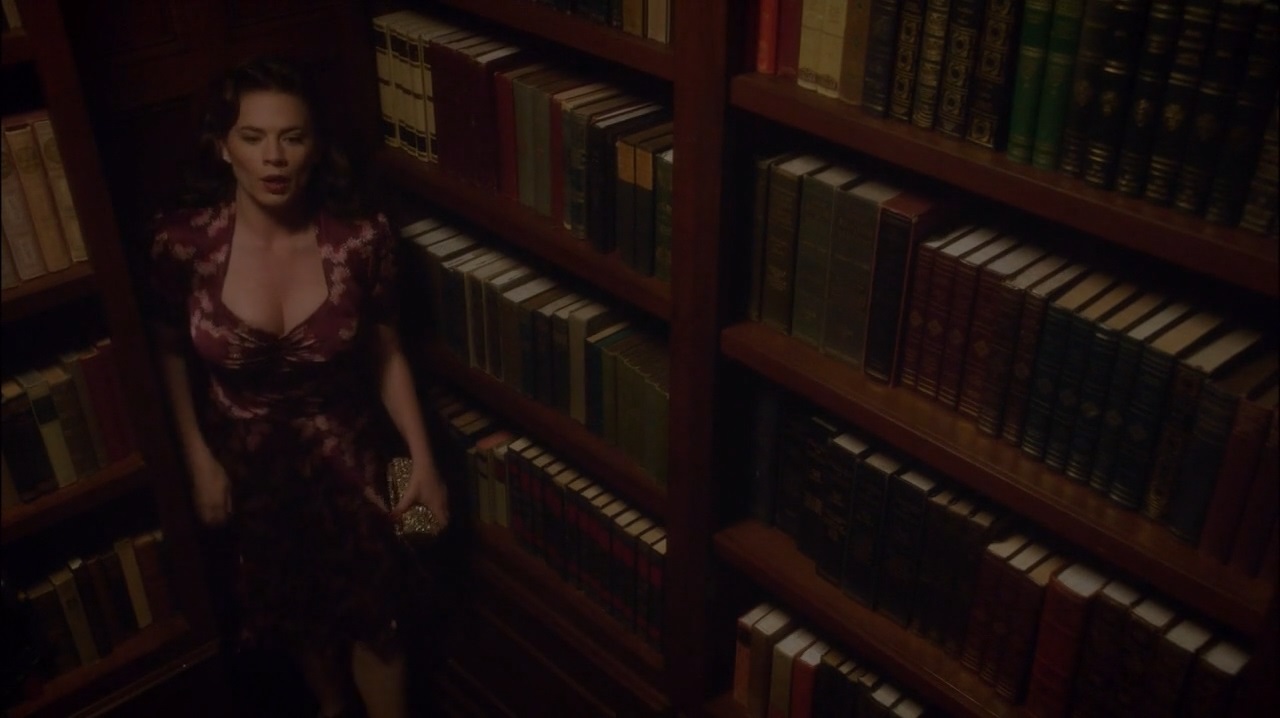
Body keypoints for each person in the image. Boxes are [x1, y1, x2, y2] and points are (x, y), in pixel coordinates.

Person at [149, 56, 446, 718]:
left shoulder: (362, 238)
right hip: (251, 469)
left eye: (292, 136)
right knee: (296, 610)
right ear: (222, 146)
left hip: (352, 459)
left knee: (380, 617)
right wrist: (198, 460)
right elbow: (168, 349)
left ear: (316, 147)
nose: (273, 157)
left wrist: (422, 461)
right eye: (252, 137)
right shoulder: (183, 243)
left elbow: (387, 351)